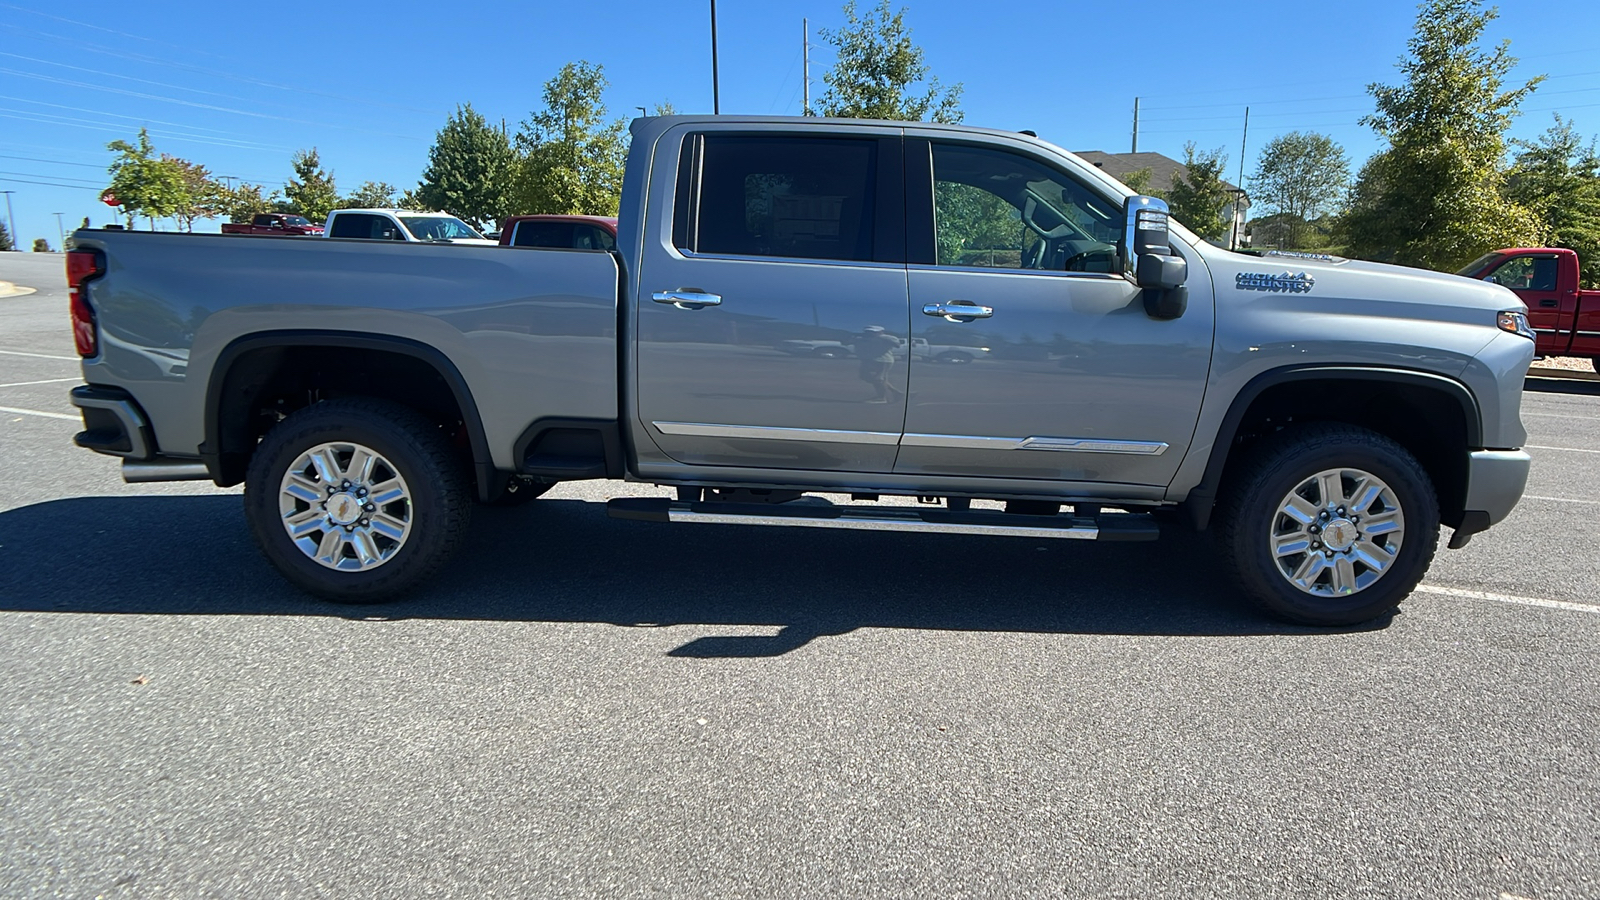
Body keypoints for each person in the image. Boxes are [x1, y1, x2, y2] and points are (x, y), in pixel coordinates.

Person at [852, 325, 902, 403]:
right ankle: (896, 392)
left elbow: (897, 344)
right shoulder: (861, 339)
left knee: (878, 379)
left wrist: (878, 337)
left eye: (872, 332)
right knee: (865, 376)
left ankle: (882, 398)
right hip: (868, 360)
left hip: (882, 360)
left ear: (880, 332)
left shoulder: (887, 338)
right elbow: (846, 342)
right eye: (867, 332)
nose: (869, 333)